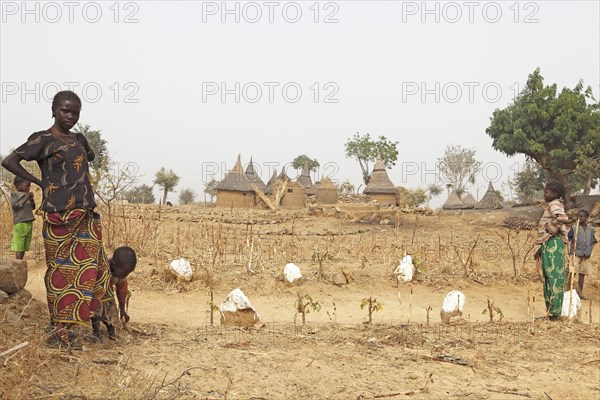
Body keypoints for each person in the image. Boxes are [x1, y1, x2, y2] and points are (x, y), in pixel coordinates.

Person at [1, 91, 110, 349]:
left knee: (94, 271)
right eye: (65, 111)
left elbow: (90, 157)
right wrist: (41, 181)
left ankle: (97, 325)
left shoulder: (80, 139)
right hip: (58, 216)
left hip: (85, 215)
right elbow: (10, 161)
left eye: (75, 112)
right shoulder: (43, 139)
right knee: (62, 272)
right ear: (54, 111)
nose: (71, 116)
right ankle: (59, 331)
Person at [534, 181, 569, 321]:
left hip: (554, 244)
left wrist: (549, 228)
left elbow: (563, 218)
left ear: (554, 194)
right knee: (549, 277)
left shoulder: (554, 204)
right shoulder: (554, 204)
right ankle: (551, 313)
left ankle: (554, 314)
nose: (544, 194)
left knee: (553, 278)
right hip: (550, 244)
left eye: (546, 192)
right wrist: (541, 246)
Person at [92, 246, 137, 342]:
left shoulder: (120, 275)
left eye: (127, 274)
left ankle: (112, 332)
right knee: (96, 311)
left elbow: (122, 292)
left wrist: (122, 310)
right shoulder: (102, 269)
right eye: (123, 273)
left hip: (108, 295)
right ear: (113, 264)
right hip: (96, 293)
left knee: (112, 312)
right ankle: (96, 331)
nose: (124, 276)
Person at [567, 209, 597, 300]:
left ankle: (580, 292)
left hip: (586, 255)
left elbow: (594, 241)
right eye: (578, 216)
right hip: (575, 254)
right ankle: (568, 291)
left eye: (581, 216)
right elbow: (567, 239)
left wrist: (590, 250)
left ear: (587, 217)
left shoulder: (591, 229)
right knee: (572, 272)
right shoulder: (574, 228)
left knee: (582, 274)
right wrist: (569, 251)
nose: (579, 218)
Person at [10, 176, 36, 260]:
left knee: (25, 244)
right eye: (27, 186)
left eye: (29, 186)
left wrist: (31, 200)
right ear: (18, 185)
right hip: (20, 222)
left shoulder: (27, 195)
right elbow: (16, 206)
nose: (28, 188)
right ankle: (18, 263)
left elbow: (33, 207)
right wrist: (26, 197)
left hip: (29, 221)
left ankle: (20, 262)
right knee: (19, 244)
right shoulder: (15, 195)